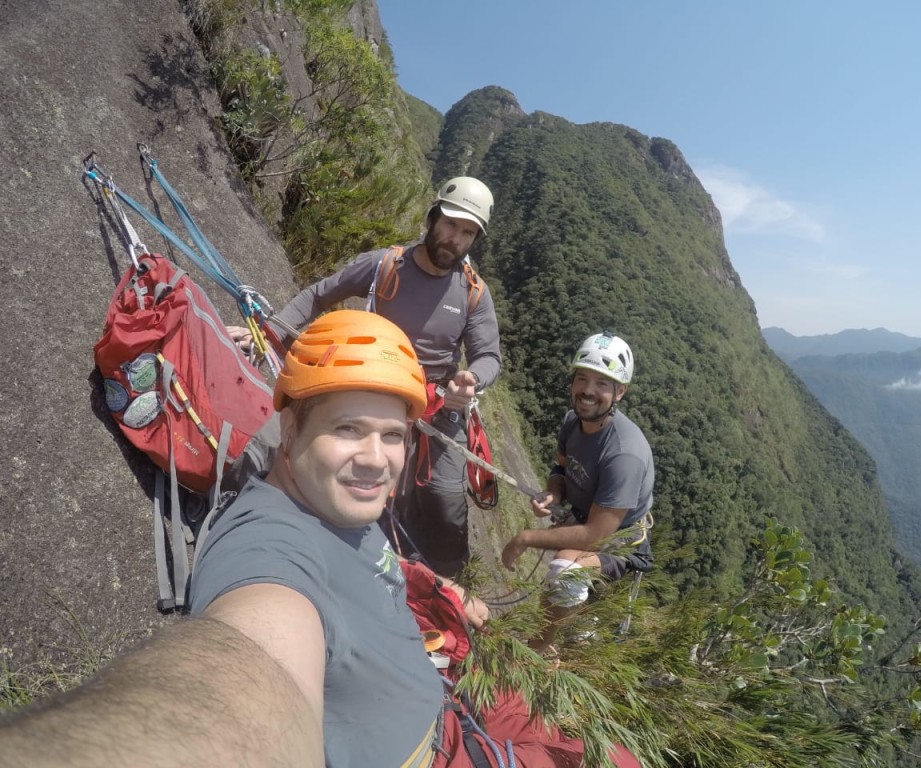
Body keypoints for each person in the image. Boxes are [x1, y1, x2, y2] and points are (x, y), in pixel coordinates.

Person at [0, 311, 639, 768]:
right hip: (447, 747)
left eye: (393, 435)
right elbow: (243, 672)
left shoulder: (338, 510)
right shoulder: (269, 546)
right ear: (292, 422)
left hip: (454, 695)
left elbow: (366, 571)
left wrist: (426, 583)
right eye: (348, 428)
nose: (375, 459)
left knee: (610, 747)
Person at [235, 177, 501, 577]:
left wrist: (471, 380)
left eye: (467, 233)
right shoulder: (385, 265)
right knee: (284, 446)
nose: (454, 239)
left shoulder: (473, 294)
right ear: (432, 218)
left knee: (444, 502)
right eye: (449, 224)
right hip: (368, 378)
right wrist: (266, 335)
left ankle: (447, 588)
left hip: (436, 402)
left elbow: (489, 357)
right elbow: (317, 295)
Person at [501, 331, 655, 656]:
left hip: (620, 540)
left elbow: (594, 534)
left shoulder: (623, 454)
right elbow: (560, 469)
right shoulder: (573, 421)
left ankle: (538, 649)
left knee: (566, 571)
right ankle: (566, 621)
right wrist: (554, 494)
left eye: (602, 383)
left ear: (620, 392)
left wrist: (525, 538)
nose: (588, 391)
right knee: (564, 571)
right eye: (582, 379)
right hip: (586, 516)